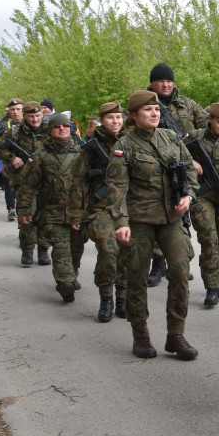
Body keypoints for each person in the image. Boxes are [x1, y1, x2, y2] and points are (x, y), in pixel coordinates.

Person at [105, 90, 200, 360]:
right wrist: (121, 222)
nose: (155, 113)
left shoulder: (171, 138)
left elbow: (190, 170)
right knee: (136, 277)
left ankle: (176, 335)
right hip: (139, 221)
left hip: (170, 218)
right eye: (148, 110)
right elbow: (116, 188)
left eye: (156, 109)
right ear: (134, 115)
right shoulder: (125, 145)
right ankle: (141, 335)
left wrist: (188, 196)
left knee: (180, 272)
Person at [144, 62, 210, 284]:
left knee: (182, 214)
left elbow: (210, 126)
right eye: (161, 81)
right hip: (154, 166)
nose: (165, 84)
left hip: (184, 164)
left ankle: (178, 260)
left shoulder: (187, 104)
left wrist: (199, 157)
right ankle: (158, 264)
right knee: (157, 215)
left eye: (169, 80)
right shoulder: (144, 103)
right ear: (152, 82)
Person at [70, 101, 129, 322]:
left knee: (127, 250)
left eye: (118, 117)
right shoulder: (92, 146)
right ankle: (107, 297)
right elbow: (78, 181)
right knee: (108, 248)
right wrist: (77, 213)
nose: (115, 122)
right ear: (102, 120)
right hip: (100, 208)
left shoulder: (130, 141)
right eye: (110, 118)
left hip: (127, 206)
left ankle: (122, 297)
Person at [15, 113, 85, 302]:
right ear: (50, 130)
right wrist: (23, 210)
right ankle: (65, 282)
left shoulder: (82, 153)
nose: (62, 129)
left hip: (79, 213)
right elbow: (28, 185)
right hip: (52, 212)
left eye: (65, 126)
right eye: (57, 127)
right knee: (61, 247)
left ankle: (72, 273)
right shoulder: (40, 156)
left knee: (76, 248)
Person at [185, 101, 219, 307]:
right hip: (202, 196)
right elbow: (175, 154)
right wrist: (191, 162)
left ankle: (218, 280)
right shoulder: (195, 137)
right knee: (209, 240)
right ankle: (211, 287)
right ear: (210, 119)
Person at [0, 100, 51, 267]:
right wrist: (12, 158)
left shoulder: (50, 131)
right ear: (25, 116)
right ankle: (27, 250)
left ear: (43, 114)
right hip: (24, 181)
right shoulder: (14, 132)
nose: (35, 120)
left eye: (38, 115)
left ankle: (43, 250)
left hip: (46, 182)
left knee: (45, 217)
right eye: (31, 116)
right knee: (26, 217)